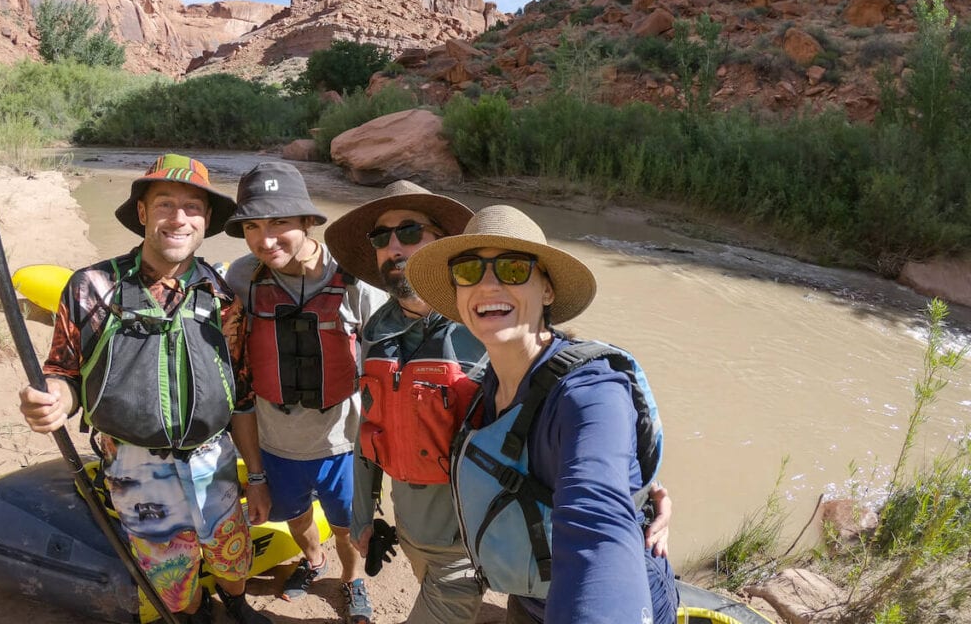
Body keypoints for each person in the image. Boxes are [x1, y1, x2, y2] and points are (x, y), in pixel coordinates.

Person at [18, 153, 269, 624]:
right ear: (142, 213)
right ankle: (196, 615)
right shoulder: (91, 287)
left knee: (232, 556)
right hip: (134, 473)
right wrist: (53, 399)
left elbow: (243, 395)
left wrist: (254, 476)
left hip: (213, 462)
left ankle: (236, 601)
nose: (179, 218)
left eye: (193, 207)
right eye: (165, 204)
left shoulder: (223, 298)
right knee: (172, 581)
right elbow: (66, 373)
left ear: (207, 219)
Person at [406, 205, 679, 624]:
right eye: (468, 271)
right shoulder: (487, 384)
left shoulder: (592, 390)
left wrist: (628, 500)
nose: (488, 284)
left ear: (547, 291)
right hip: (528, 597)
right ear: (459, 296)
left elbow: (597, 524)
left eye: (513, 269)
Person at [223, 162, 388, 624]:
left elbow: (388, 358)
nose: (265, 239)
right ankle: (312, 563)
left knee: (349, 526)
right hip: (277, 443)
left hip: (345, 444)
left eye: (280, 222)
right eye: (253, 226)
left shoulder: (355, 278)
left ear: (309, 222)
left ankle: (352, 580)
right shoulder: (242, 278)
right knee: (295, 517)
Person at [323, 180, 484, 624]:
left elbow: (558, 403)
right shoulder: (376, 330)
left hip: (469, 544)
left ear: (443, 243)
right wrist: (362, 517)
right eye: (382, 238)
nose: (394, 246)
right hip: (412, 531)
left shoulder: (486, 320)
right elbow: (370, 430)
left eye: (410, 232)